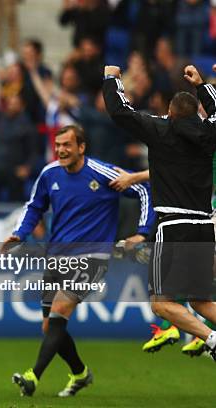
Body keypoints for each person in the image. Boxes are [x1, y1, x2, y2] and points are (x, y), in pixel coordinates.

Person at [7, 125, 155, 397]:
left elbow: (145, 190)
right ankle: (80, 373)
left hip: (92, 257)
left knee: (59, 312)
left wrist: (143, 232)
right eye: (58, 145)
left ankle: (32, 377)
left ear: (81, 147)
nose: (61, 150)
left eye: (67, 145)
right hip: (57, 256)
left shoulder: (103, 173)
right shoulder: (49, 173)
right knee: (49, 326)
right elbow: (34, 206)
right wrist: (19, 233)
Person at [103, 63, 216, 362]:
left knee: (161, 304)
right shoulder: (209, 133)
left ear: (170, 110)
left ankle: (213, 340)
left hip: (174, 226)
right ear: (196, 113)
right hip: (206, 226)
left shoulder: (161, 129)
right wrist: (203, 86)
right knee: (201, 301)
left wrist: (111, 78)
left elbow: (120, 112)